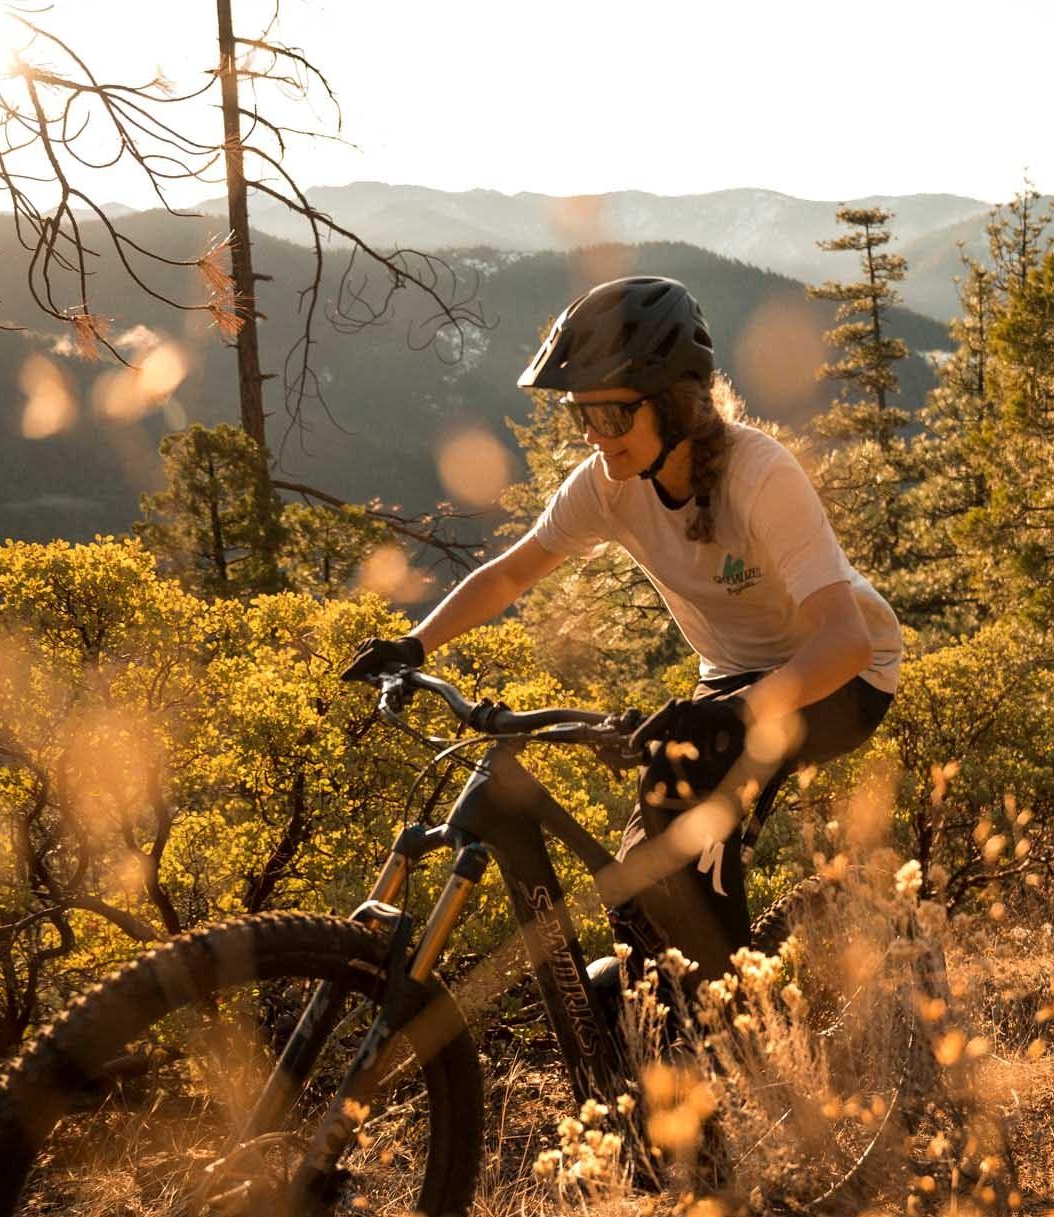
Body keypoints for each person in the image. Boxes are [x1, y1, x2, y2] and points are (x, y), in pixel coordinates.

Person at [342, 275, 903, 995]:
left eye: (612, 415)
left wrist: (735, 714)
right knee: (638, 877)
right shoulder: (608, 483)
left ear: (674, 404)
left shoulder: (760, 475)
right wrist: (414, 644)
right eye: (584, 416)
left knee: (688, 791)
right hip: (733, 675)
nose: (594, 435)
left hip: (844, 673)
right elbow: (512, 575)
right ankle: (665, 1011)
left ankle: (727, 1024)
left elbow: (846, 642)